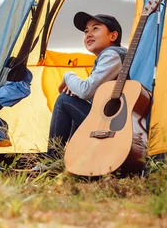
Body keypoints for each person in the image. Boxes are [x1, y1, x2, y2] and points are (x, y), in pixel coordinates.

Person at [44, 12, 126, 161]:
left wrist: (68, 75)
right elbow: (89, 93)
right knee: (71, 97)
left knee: (64, 100)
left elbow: (86, 90)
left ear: (113, 36)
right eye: (86, 31)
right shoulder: (107, 57)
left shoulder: (113, 55)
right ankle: (75, 158)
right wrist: (76, 92)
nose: (88, 34)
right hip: (112, 124)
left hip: (115, 129)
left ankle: (51, 160)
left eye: (95, 29)